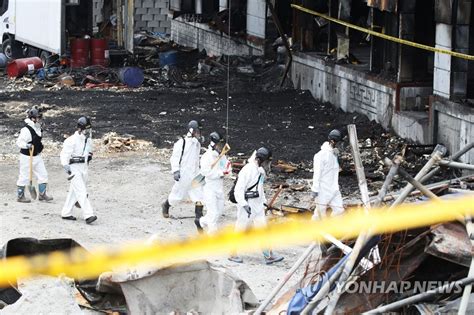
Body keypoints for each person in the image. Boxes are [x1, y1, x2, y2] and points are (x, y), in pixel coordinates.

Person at [228, 147, 284, 265]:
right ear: (260, 160)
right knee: (241, 228)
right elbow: (239, 189)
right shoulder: (247, 170)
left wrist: (264, 202)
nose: (268, 164)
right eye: (267, 162)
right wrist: (243, 204)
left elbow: (260, 187)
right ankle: (232, 253)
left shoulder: (260, 170)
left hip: (257, 205)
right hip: (247, 205)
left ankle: (268, 255)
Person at [162, 120, 203, 219]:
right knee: (177, 195)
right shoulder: (182, 143)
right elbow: (175, 158)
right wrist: (175, 170)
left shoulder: (197, 143)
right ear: (192, 130)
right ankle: (166, 205)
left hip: (196, 172)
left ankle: (199, 215)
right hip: (185, 173)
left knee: (200, 193)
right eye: (197, 131)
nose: (199, 133)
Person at [60, 116, 97, 224]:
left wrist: (89, 156)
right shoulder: (71, 140)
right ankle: (88, 215)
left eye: (89, 129)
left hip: (84, 167)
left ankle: (66, 213)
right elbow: (64, 154)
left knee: (74, 192)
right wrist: (65, 165)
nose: (88, 132)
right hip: (74, 168)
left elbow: (89, 152)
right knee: (81, 192)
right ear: (80, 129)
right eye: (86, 129)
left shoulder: (88, 140)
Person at [195, 131, 231, 234]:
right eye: (219, 144)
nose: (221, 146)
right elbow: (205, 172)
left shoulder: (222, 155)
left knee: (218, 213)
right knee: (213, 213)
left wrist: (228, 168)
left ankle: (200, 221)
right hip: (209, 188)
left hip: (219, 187)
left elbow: (226, 165)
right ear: (213, 144)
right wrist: (220, 173)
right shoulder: (206, 156)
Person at [16, 107, 53, 202]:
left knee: (43, 174)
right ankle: (20, 196)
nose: (39, 119)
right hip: (26, 157)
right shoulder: (25, 129)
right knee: (24, 176)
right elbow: (19, 142)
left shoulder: (37, 127)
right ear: (33, 118)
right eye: (38, 117)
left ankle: (42, 194)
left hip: (37, 155)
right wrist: (26, 145)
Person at [311, 129, 344, 220]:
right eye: (339, 143)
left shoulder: (334, 153)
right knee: (320, 215)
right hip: (323, 190)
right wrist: (315, 189)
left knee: (339, 211)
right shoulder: (320, 156)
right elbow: (317, 174)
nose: (341, 145)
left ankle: (334, 231)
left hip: (334, 189)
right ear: (333, 141)